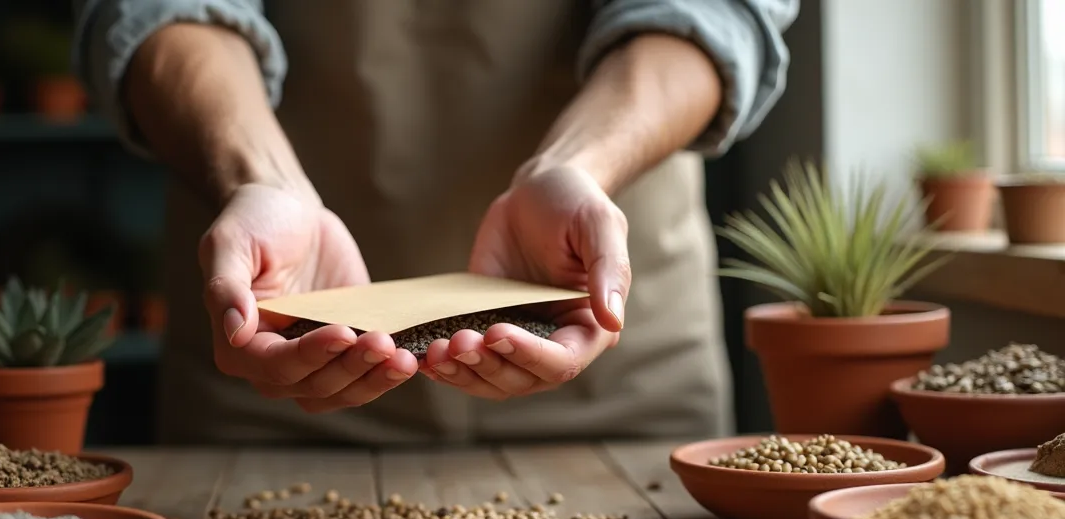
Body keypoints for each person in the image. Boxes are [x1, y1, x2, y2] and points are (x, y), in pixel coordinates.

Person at [72, 0, 798, 445]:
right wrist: (262, 177)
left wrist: (578, 167)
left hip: (607, 364)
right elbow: (156, 7)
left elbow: (715, 9)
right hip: (280, 366)